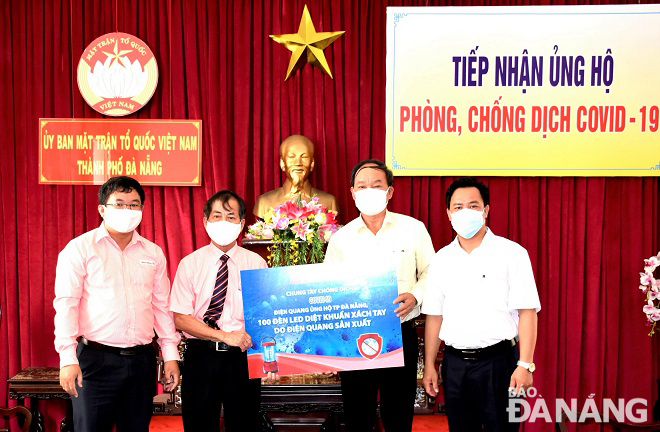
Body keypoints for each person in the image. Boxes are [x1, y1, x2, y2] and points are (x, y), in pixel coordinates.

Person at [54, 176, 180, 432]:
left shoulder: (153, 253)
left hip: (142, 360)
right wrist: (67, 358)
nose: (128, 210)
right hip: (95, 360)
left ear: (142, 210)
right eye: (119, 204)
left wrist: (170, 356)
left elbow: (162, 308)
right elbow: (67, 304)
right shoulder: (79, 249)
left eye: (134, 205)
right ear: (102, 209)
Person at [422, 177, 541, 432]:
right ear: (448, 213)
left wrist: (525, 364)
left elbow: (528, 312)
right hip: (454, 364)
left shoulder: (512, 253)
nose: (466, 212)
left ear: (486, 210)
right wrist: (430, 365)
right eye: (458, 207)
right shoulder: (441, 259)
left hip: (499, 363)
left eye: (474, 206)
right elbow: (434, 315)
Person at [324, 159, 435, 432]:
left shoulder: (413, 229)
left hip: (400, 332)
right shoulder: (342, 239)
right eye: (362, 186)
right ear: (352, 192)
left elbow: (434, 272)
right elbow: (328, 289)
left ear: (390, 191)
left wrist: (416, 295)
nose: (369, 191)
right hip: (354, 339)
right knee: (358, 416)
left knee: (398, 416)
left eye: (377, 185)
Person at [170, 190, 271, 432]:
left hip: (243, 358)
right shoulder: (190, 264)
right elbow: (181, 319)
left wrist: (269, 360)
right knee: (199, 425)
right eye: (217, 216)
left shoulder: (256, 263)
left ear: (242, 224)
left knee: (244, 424)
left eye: (231, 217)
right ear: (205, 222)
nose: (223, 223)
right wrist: (224, 336)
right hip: (201, 356)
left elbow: (263, 317)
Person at [253, 135, 339, 219]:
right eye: (291, 157)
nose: (298, 163)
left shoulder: (329, 201)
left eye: (304, 157)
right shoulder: (264, 202)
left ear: (312, 163)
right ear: (282, 163)